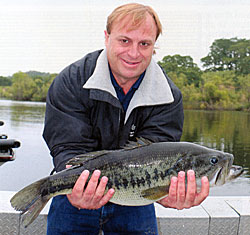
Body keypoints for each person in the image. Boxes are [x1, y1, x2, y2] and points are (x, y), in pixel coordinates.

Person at [43, 3, 209, 234]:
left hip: (136, 197)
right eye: (124, 41)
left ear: (154, 46)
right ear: (107, 37)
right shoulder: (72, 81)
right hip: (75, 189)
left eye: (144, 44)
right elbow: (68, 147)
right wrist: (78, 185)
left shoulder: (168, 96)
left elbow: (160, 152)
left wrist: (165, 193)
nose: (133, 53)